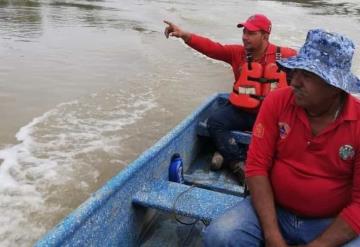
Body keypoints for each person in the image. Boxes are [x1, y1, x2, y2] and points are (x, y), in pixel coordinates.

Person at [203, 28, 360, 246]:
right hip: (273, 210)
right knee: (220, 235)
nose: (294, 81)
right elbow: (257, 166)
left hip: (331, 222)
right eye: (295, 72)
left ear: (335, 87)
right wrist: (273, 236)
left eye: (307, 75)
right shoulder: (277, 101)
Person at [164, 14, 296, 181]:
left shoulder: (285, 55)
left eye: (251, 33)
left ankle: (227, 154)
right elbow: (212, 48)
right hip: (242, 110)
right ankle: (238, 164)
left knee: (291, 134)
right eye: (244, 32)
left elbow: (309, 70)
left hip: (271, 115)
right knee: (215, 121)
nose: (245, 37)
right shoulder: (237, 53)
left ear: (265, 36)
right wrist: (184, 35)